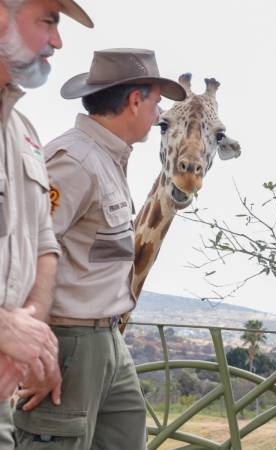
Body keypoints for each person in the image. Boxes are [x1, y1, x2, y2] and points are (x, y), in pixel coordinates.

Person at [13, 48, 186, 450]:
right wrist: (34, 348)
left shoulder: (108, 159)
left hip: (108, 338)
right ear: (134, 100)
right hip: (68, 339)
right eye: (156, 101)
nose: (158, 112)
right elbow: (23, 254)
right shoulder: (73, 160)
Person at [0, 1, 92, 448]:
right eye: (49, 21)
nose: (57, 41)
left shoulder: (25, 132)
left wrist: (31, 334)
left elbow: (44, 245)